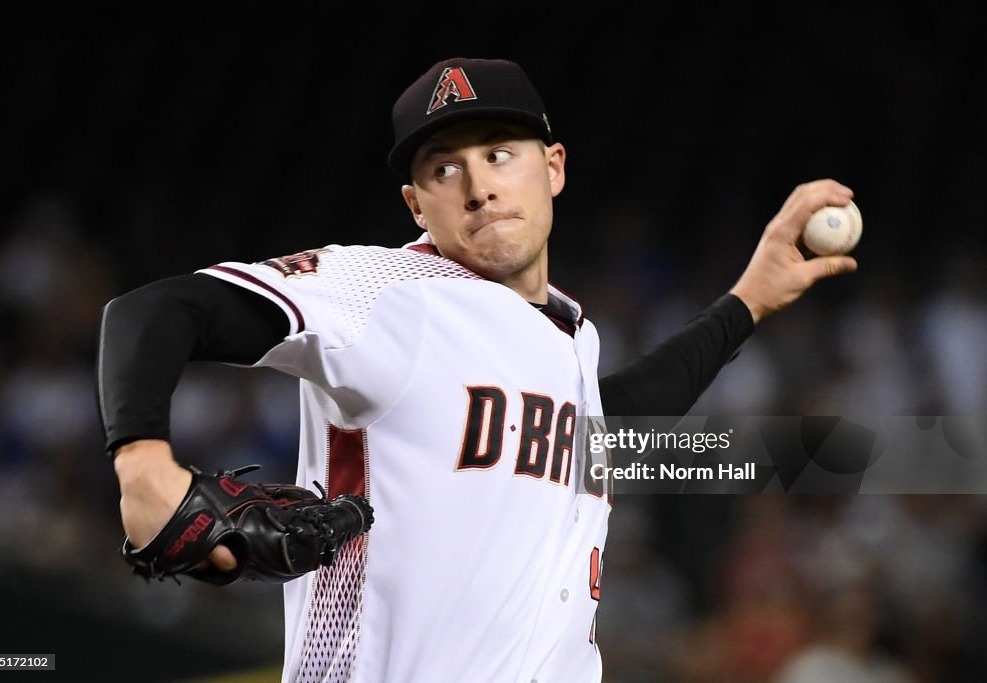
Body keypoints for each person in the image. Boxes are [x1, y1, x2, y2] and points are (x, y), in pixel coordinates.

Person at [95, 57, 858, 682]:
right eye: (444, 169)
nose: (479, 185)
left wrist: (750, 299)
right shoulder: (385, 291)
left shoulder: (568, 334)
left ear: (553, 167)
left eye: (499, 154)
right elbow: (153, 311)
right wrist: (142, 464)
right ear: (415, 203)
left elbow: (603, 422)